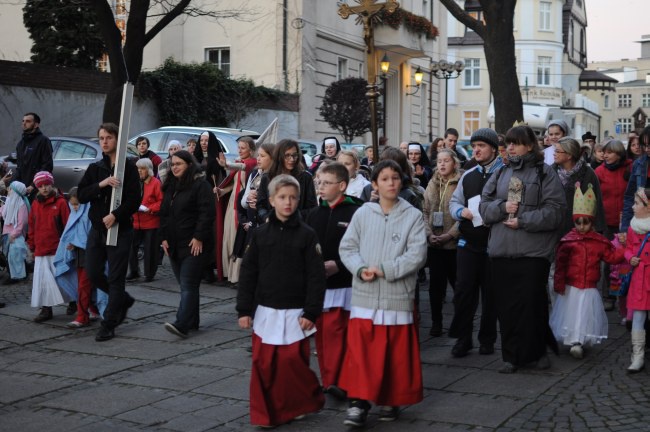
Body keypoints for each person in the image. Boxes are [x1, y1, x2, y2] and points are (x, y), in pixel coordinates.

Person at [338, 160, 427, 426]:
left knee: (393, 355)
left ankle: (391, 398)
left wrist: (386, 269)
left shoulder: (412, 216)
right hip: (365, 297)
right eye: (385, 178)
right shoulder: (363, 213)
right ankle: (359, 403)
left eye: (395, 178)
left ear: (401, 182)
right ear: (374, 184)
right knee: (362, 354)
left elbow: (417, 255)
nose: (391, 183)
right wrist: (360, 268)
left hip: (396, 297)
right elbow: (348, 248)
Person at [237, 174, 326, 427]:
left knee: (292, 365)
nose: (288, 202)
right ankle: (265, 414)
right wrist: (244, 309)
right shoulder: (261, 234)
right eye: (282, 197)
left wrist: (311, 312)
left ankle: (301, 401)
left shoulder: (307, 235)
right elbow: (249, 273)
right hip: (266, 311)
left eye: (293, 197)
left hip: (295, 312)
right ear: (272, 200)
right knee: (263, 365)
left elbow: (316, 276)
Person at [480, 125, 566, 374]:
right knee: (506, 307)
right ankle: (511, 355)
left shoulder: (544, 173)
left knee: (532, 305)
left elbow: (556, 212)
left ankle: (537, 351)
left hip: (533, 253)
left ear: (530, 146)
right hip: (501, 251)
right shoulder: (500, 171)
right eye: (508, 143)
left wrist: (524, 220)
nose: (511, 147)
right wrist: (501, 207)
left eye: (516, 143)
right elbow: (484, 207)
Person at [78, 122, 141, 342]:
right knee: (93, 272)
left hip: (120, 230)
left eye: (109, 138)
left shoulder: (128, 167)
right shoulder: (95, 168)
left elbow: (135, 199)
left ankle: (109, 323)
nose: (104, 142)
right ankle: (122, 299)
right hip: (97, 230)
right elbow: (82, 194)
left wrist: (116, 215)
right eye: (101, 138)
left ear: (117, 140)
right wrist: (102, 184)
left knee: (116, 278)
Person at [305, 162, 361, 399]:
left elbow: (362, 247)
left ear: (342, 185)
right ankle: (328, 380)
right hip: (320, 285)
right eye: (319, 182)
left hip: (346, 284)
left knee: (340, 335)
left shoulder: (356, 211)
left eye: (326, 183)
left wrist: (338, 264)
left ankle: (342, 380)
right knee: (323, 337)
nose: (321, 187)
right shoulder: (313, 213)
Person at [549, 184, 623, 359]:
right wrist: (559, 285)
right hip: (572, 286)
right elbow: (560, 266)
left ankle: (579, 340)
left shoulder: (599, 242)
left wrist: (624, 248)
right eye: (578, 222)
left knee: (584, 314)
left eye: (586, 222)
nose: (582, 226)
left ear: (592, 221)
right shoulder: (568, 242)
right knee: (572, 313)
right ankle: (573, 339)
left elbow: (612, 257)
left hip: (589, 286)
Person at [448, 128, 504, 357]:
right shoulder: (468, 175)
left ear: (493, 148)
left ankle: (487, 339)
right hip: (468, 243)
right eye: (474, 146)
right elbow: (454, 202)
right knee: (463, 292)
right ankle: (463, 338)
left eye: (481, 146)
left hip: (493, 245)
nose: (476, 150)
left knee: (490, 294)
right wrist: (461, 212)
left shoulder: (505, 174)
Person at [160, 150, 215, 338]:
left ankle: (182, 324)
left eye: (178, 164)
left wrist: (199, 237)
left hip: (194, 244)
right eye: (172, 164)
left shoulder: (201, 186)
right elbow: (165, 214)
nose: (174, 167)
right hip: (174, 244)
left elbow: (207, 213)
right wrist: (164, 238)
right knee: (187, 286)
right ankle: (193, 321)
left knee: (188, 284)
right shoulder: (170, 186)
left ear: (189, 165)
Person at [422, 148, 462, 337]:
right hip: (435, 245)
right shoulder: (432, 182)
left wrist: (450, 235)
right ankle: (436, 322)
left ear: (454, 162)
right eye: (439, 161)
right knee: (435, 288)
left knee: (459, 287)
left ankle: (460, 322)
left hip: (454, 246)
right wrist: (429, 234)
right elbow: (425, 212)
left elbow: (464, 214)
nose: (442, 164)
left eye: (446, 160)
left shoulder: (461, 182)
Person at [53, 187, 100, 328]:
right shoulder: (74, 214)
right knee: (85, 285)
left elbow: (91, 235)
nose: (74, 207)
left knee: (84, 286)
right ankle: (92, 310)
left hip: (90, 255)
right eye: (72, 204)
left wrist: (76, 242)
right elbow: (71, 233)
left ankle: (82, 317)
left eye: (77, 204)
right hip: (79, 255)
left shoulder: (89, 214)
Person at [28, 171, 71, 323]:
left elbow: (67, 225)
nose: (44, 188)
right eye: (41, 186)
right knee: (44, 281)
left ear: (51, 184)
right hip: (41, 248)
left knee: (64, 278)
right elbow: (32, 225)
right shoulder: (35, 204)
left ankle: (73, 301)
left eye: (46, 185)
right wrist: (31, 245)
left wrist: (68, 244)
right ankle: (46, 309)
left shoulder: (60, 203)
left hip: (57, 248)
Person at [215, 136, 257, 286]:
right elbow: (233, 185)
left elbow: (244, 166)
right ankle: (228, 273)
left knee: (238, 239)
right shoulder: (239, 163)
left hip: (242, 205)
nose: (240, 150)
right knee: (228, 237)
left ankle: (238, 275)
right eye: (239, 147)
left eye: (243, 148)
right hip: (232, 201)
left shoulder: (252, 163)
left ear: (251, 150)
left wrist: (226, 164)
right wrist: (221, 191)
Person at [553, 137, 606, 237]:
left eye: (557, 151)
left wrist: (598, 230)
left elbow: (597, 203)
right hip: (554, 229)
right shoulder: (550, 172)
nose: (554, 153)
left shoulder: (588, 173)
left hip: (581, 230)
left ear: (569, 155)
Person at [256, 139, 317, 221]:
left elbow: (312, 208)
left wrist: (291, 216)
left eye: (294, 155)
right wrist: (267, 218)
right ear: (279, 156)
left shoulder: (305, 178)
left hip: (297, 228)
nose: (292, 159)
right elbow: (260, 206)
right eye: (287, 155)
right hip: (273, 227)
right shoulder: (267, 177)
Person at [623, 187, 650, 373]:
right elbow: (629, 248)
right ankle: (637, 355)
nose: (633, 207)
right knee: (638, 316)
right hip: (639, 277)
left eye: (637, 203)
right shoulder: (633, 226)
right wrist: (629, 257)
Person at [193, 130, 225, 282]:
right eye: (201, 140)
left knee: (211, 233)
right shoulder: (195, 158)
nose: (203, 143)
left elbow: (221, 179)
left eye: (206, 140)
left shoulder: (217, 158)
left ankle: (210, 268)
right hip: (195, 201)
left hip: (212, 200)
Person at [127, 158, 163, 282]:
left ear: (148, 170)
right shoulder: (135, 182)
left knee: (150, 249)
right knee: (132, 247)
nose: (139, 171)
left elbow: (161, 202)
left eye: (142, 169)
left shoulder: (155, 183)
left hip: (151, 221)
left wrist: (150, 209)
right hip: (136, 221)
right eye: (138, 169)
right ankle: (134, 271)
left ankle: (149, 273)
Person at [14, 112, 53, 199]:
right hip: (23, 188)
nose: (24, 123)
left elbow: (47, 166)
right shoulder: (20, 144)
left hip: (38, 189)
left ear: (36, 125)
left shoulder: (43, 141)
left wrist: (34, 185)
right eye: (23, 121)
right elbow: (19, 167)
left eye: (28, 121)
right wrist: (13, 184)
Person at [621, 126, 650, 234]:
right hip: (641, 222)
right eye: (645, 145)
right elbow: (629, 196)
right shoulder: (639, 164)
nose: (646, 149)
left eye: (649, 145)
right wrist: (625, 228)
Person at [1, 181, 30, 285]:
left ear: (15, 191)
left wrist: (14, 234)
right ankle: (16, 273)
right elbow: (2, 211)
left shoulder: (21, 205)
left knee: (15, 255)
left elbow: (22, 223)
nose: (8, 190)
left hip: (15, 235)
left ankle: (16, 276)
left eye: (10, 189)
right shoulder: (9, 201)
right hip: (6, 233)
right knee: (9, 255)